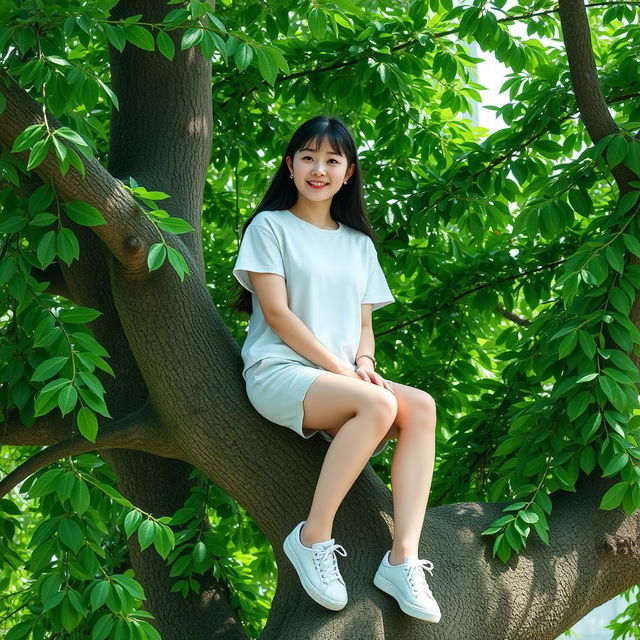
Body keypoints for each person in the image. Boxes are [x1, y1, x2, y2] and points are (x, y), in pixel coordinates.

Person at [231, 115, 441, 623]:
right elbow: (277, 315)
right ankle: (312, 538)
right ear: (290, 166)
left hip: (342, 380)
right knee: (377, 402)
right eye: (308, 157)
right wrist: (347, 374)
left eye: (332, 160)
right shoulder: (270, 227)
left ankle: (403, 559)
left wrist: (362, 364)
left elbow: (363, 325)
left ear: (348, 173)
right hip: (279, 371)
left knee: (421, 406)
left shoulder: (359, 244)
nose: (318, 169)